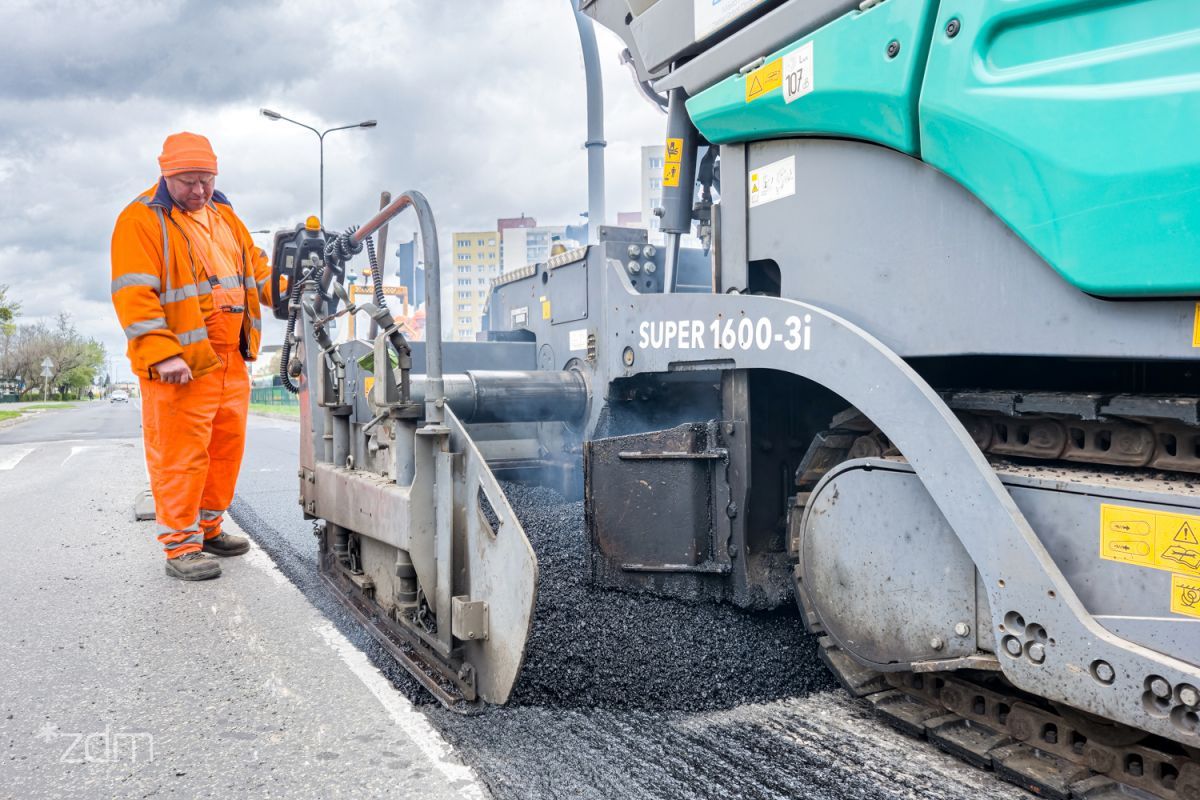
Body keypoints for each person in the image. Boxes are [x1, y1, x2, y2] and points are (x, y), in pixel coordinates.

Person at [110, 132, 271, 581]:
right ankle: (181, 545)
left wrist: (293, 285)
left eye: (206, 179)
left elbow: (258, 272)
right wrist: (161, 353)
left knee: (224, 451)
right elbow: (133, 293)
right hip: (180, 364)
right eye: (187, 182)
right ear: (166, 174)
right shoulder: (142, 219)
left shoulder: (225, 216)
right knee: (180, 455)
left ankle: (208, 528)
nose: (198, 190)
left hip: (230, 360)